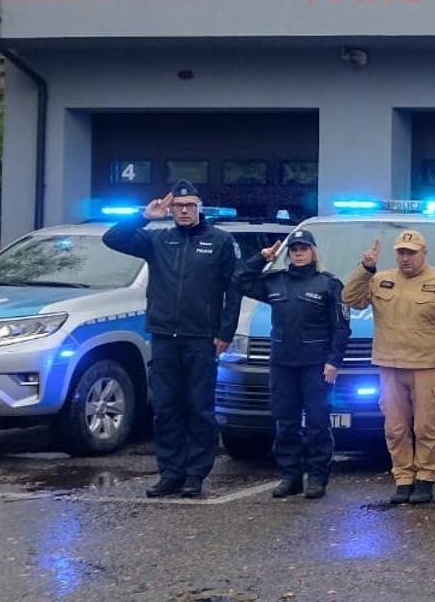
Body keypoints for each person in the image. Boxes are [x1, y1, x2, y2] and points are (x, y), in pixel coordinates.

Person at [101, 180, 242, 499]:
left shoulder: (219, 241)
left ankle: (195, 474)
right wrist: (143, 216)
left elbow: (233, 290)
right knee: (166, 408)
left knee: (199, 409)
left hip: (201, 338)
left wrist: (225, 331)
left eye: (190, 206)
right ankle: (171, 472)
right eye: (178, 207)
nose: (184, 211)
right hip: (165, 336)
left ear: (199, 208)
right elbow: (113, 238)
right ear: (171, 210)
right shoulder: (158, 240)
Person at [342, 229, 435, 506]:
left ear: (424, 253)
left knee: (426, 427)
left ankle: (425, 478)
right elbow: (351, 298)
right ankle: (403, 477)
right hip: (390, 365)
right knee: (395, 428)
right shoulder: (381, 279)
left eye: (411, 252)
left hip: (427, 366)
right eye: (401, 252)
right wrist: (365, 268)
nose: (405, 258)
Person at [235, 229, 349, 500]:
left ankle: (318, 477)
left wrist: (334, 361)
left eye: (303, 248)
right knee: (285, 422)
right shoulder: (275, 282)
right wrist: (261, 258)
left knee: (318, 423)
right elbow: (241, 281)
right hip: (282, 363)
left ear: (313, 252)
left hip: (315, 365)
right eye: (294, 249)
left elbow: (341, 327)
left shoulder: (328, 284)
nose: (298, 253)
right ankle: (291, 476)